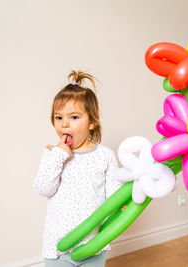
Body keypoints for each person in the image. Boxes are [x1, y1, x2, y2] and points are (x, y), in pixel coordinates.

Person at [33, 70, 122, 266]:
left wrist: (123, 204)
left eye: (74, 117)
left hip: (92, 245)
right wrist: (58, 156)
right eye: (58, 118)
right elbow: (43, 188)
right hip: (57, 246)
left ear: (91, 122)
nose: (64, 123)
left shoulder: (104, 155)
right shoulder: (53, 155)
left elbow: (114, 194)